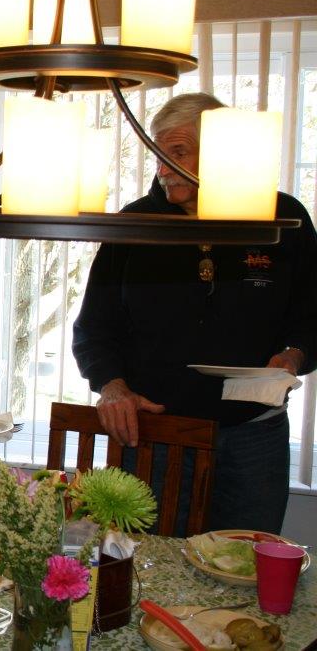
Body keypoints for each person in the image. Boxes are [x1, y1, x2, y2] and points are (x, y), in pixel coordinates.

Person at [72, 92, 317, 536]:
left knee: (243, 563)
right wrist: (112, 387)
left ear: (220, 155)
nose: (163, 170)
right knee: (141, 562)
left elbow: (312, 313)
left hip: (254, 435)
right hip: (155, 432)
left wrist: (293, 356)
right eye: (158, 156)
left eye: (178, 153)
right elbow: (93, 329)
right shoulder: (137, 224)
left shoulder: (281, 218)